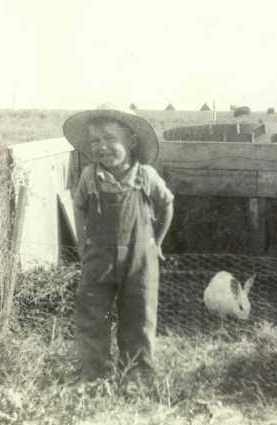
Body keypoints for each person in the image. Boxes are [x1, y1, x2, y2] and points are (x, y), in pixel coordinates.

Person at [63, 103, 174, 384]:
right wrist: (81, 242)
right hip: (98, 256)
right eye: (95, 141)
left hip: (140, 259)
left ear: (131, 141)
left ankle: (136, 374)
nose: (102, 147)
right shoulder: (90, 176)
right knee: (92, 313)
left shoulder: (146, 176)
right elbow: (79, 206)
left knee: (139, 314)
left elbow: (167, 205)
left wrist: (157, 243)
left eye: (111, 139)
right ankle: (94, 372)